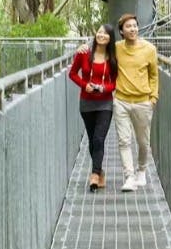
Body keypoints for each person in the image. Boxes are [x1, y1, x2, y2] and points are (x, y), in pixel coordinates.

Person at [68, 24, 118, 191]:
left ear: (110, 38)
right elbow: (72, 74)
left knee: (99, 139)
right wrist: (84, 84)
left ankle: (95, 174)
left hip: (105, 103)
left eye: (105, 33)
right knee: (92, 141)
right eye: (99, 31)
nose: (101, 35)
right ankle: (100, 172)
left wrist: (105, 88)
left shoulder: (113, 58)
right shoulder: (84, 53)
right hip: (87, 103)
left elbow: (115, 82)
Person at [113, 13, 159, 192]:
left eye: (134, 26)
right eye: (128, 27)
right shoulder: (116, 48)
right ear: (122, 31)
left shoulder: (149, 49)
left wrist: (153, 97)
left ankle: (142, 170)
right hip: (121, 101)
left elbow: (154, 75)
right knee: (124, 141)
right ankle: (129, 177)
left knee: (143, 142)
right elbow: (99, 48)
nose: (132, 29)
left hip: (143, 102)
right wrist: (85, 46)